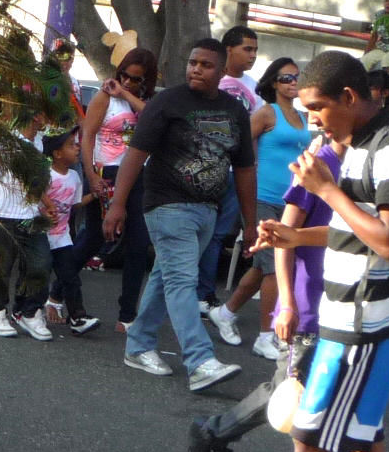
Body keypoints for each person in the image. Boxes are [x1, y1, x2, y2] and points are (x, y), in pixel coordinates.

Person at [194, 51, 389, 452]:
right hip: (357, 319)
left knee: (310, 442)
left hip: (363, 323)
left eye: (318, 107)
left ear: (350, 97)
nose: (313, 119)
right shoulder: (358, 145)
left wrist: (327, 190)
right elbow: (354, 231)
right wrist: (293, 239)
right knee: (362, 445)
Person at [185, 105, 358, 452]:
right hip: (310, 302)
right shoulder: (317, 168)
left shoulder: (367, 164)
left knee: (334, 395)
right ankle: (214, 433)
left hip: (351, 303)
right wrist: (287, 305)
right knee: (293, 392)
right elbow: (285, 236)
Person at [107, 39, 253, 393]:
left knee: (165, 276)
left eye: (204, 65)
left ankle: (138, 344)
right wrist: (117, 204)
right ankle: (200, 360)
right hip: (167, 206)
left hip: (208, 211)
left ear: (220, 72)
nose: (195, 69)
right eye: (192, 62)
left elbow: (245, 169)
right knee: (181, 281)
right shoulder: (167, 102)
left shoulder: (234, 111)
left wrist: (250, 224)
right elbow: (135, 154)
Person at [208, 57, 306, 361]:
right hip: (261, 196)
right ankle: (266, 336)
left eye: (296, 77)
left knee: (263, 266)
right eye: (286, 78)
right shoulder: (266, 112)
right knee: (276, 268)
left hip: (291, 200)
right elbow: (238, 148)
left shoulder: (303, 117)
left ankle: (226, 312)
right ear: (273, 83)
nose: (293, 83)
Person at [68, 47, 159, 332]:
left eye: (136, 79)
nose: (129, 82)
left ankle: (127, 314)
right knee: (96, 237)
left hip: (138, 174)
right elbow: (87, 136)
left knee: (138, 243)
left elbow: (153, 117)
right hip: (107, 171)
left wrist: (128, 94)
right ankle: (59, 291)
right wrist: (91, 174)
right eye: (125, 76)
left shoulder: (144, 101)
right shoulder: (104, 97)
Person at [199, 26, 262, 311]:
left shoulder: (254, 87)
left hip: (238, 172)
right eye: (247, 49)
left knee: (219, 234)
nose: (252, 55)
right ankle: (191, 293)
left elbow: (257, 130)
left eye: (255, 50)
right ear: (228, 50)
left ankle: (204, 294)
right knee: (199, 232)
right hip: (205, 168)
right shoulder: (211, 79)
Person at [0, 103, 54, 342]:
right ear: (35, 115)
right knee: (3, 268)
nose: (48, 119)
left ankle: (29, 311)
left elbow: (31, 179)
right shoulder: (7, 141)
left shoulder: (39, 142)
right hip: (3, 214)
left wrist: (45, 201)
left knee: (40, 263)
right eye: (45, 113)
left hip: (30, 215)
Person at [40, 127, 99, 335]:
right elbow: (34, 198)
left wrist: (93, 195)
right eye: (72, 145)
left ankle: (78, 316)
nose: (77, 149)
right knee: (37, 274)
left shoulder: (74, 176)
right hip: (42, 236)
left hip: (62, 237)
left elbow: (75, 205)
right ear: (57, 153)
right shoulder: (46, 175)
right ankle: (28, 310)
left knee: (70, 276)